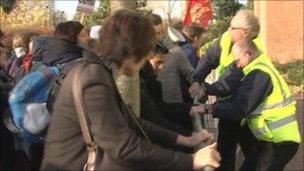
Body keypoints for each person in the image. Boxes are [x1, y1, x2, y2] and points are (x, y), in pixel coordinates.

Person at [41, 10, 220, 170]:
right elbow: (123, 146)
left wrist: (185, 140)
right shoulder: (93, 77)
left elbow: (132, 121)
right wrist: (191, 160)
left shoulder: (100, 71)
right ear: (135, 49)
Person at [191, 39, 301, 171]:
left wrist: (208, 108)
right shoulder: (256, 70)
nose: (237, 65)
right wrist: (211, 106)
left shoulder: (259, 74)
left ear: (248, 54)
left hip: (280, 142)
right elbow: (238, 99)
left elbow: (240, 107)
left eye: (237, 60)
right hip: (269, 139)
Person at [188, 9, 265, 171]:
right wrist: (197, 80)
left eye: (232, 27)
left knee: (253, 154)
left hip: (243, 111)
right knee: (227, 152)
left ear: (245, 33)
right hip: (229, 108)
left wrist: (206, 89)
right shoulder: (226, 39)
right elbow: (208, 59)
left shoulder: (252, 51)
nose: (228, 30)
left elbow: (230, 81)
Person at [148, 14, 194, 104]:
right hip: (152, 108)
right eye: (153, 34)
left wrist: (200, 85)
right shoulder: (139, 56)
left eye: (159, 33)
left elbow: (191, 75)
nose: (157, 37)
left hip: (175, 107)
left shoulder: (176, 52)